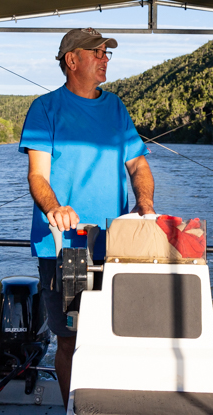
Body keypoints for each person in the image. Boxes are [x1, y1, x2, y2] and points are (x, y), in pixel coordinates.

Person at [18, 27, 155, 405]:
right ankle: (73, 408)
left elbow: (138, 165)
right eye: (97, 52)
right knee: (71, 337)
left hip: (116, 243)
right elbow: (37, 175)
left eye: (107, 53)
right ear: (71, 60)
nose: (105, 59)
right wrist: (54, 208)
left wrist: (145, 205)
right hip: (67, 246)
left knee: (120, 331)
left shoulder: (116, 107)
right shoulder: (44, 108)